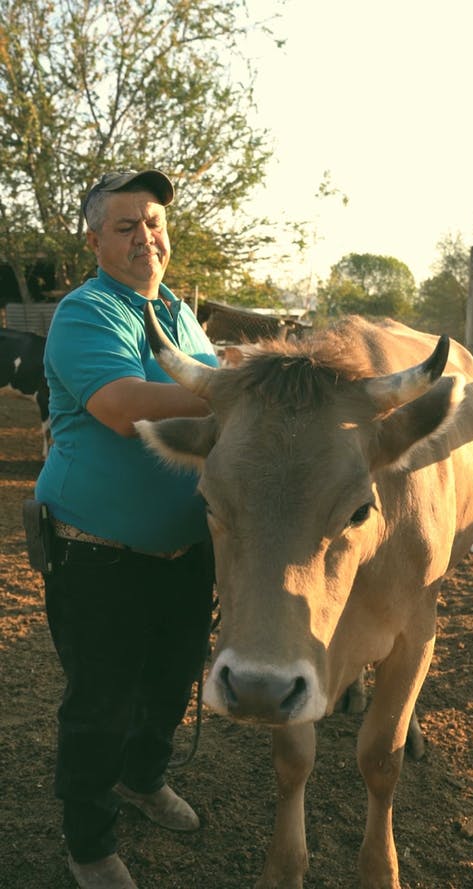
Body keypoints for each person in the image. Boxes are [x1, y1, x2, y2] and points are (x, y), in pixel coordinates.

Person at [35, 169, 218, 889]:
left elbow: (206, 382)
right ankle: (88, 839)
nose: (146, 235)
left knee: (171, 683)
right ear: (94, 240)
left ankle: (144, 779)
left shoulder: (178, 311)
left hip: (183, 551)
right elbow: (123, 405)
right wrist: (240, 392)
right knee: (101, 700)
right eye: (125, 226)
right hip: (97, 553)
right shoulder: (88, 312)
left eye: (153, 222)